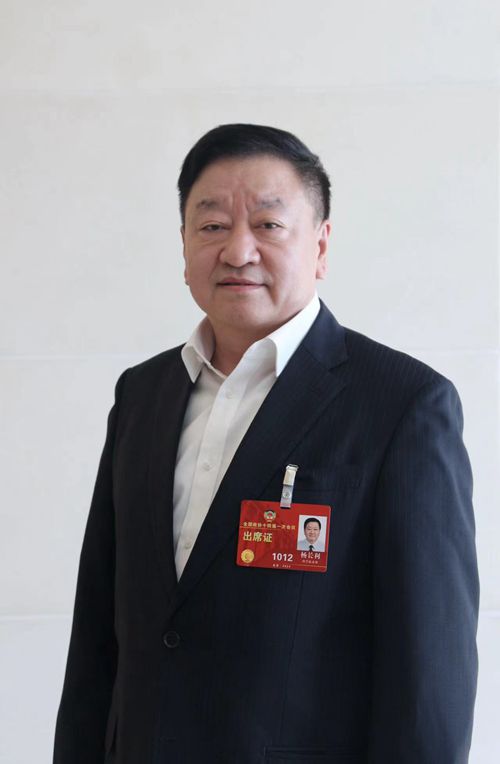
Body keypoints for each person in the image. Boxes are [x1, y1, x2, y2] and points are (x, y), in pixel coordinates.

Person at [53, 124, 479, 764]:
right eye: (212, 225)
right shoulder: (142, 394)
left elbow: (428, 679)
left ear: (320, 245)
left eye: (268, 225)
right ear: (184, 245)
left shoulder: (403, 405)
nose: (237, 250)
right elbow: (97, 636)